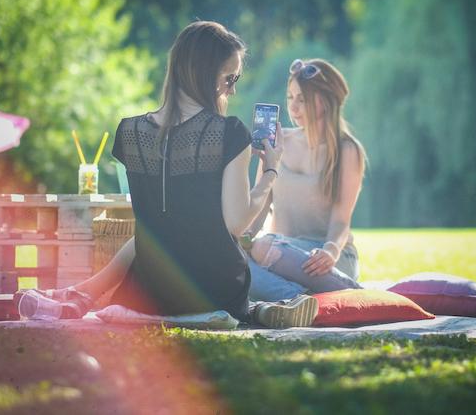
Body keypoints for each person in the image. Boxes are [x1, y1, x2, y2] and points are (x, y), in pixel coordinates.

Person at [20, 21, 317, 328]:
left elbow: (161, 226)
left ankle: (79, 295)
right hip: (215, 290)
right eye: (230, 78)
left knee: (155, 231)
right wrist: (270, 170)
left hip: (147, 294)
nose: (233, 89)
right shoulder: (229, 133)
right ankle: (255, 311)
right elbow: (237, 224)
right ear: (204, 75)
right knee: (183, 247)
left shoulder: (129, 132)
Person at [244, 59, 367, 301]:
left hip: (327, 258)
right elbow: (259, 208)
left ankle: (327, 295)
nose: (293, 107)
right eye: (290, 98)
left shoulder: (347, 150)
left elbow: (341, 220)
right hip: (278, 253)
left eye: (302, 99)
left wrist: (330, 251)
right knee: (237, 263)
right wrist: (242, 239)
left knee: (265, 246)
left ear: (326, 100)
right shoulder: (279, 143)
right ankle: (299, 300)